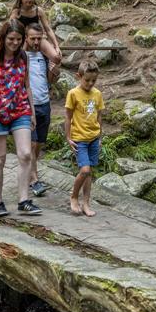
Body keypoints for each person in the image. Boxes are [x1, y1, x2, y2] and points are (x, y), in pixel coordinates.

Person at [0, 19, 42, 216]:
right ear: (3, 38)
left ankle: (24, 200)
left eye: (19, 39)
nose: (15, 43)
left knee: (26, 154)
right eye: (11, 38)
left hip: (20, 109)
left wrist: (33, 111)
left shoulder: (23, 57)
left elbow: (26, 85)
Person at [24, 22, 60, 197]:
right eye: (33, 38)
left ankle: (31, 171)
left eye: (39, 38)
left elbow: (51, 80)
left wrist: (55, 71)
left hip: (44, 103)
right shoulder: (21, 56)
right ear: (26, 38)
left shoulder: (44, 56)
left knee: (38, 144)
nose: (36, 42)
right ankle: (34, 180)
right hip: (26, 106)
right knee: (31, 143)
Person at [64, 59, 104, 217]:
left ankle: (86, 202)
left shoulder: (97, 94)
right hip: (79, 138)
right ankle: (74, 196)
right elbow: (67, 117)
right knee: (85, 169)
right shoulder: (73, 93)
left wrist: (100, 136)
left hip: (93, 137)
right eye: (87, 80)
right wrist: (68, 137)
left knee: (90, 172)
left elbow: (99, 116)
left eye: (94, 80)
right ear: (78, 76)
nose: (90, 83)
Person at [9, 0, 63, 67]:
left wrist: (56, 46)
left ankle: (48, 74)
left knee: (56, 57)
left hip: (37, 38)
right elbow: (10, 29)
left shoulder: (38, 11)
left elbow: (48, 29)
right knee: (20, 62)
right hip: (22, 40)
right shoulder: (17, 12)